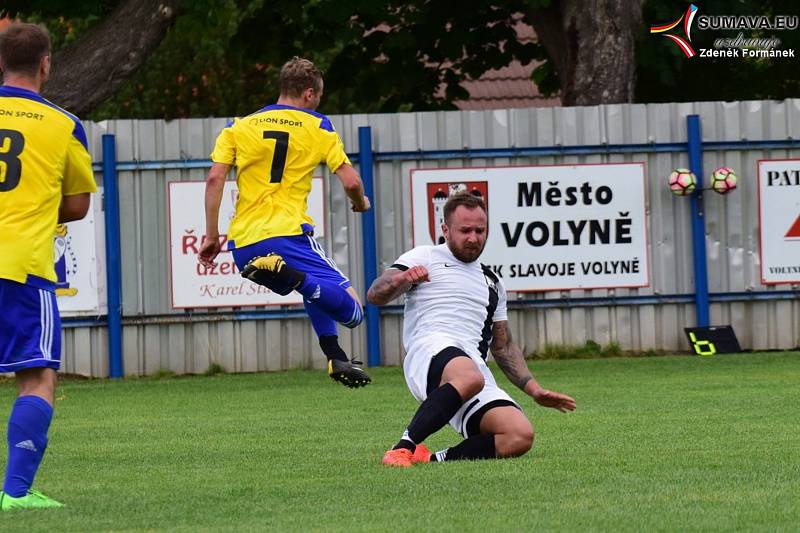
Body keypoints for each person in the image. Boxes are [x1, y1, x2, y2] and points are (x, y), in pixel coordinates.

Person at [198, 57, 372, 388]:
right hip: (288, 235)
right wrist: (359, 203)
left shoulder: (240, 126)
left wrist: (211, 235)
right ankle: (290, 275)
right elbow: (351, 182)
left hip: (244, 244)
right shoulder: (318, 126)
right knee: (353, 311)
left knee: (310, 285)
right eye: (318, 96)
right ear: (309, 93)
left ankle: (334, 355)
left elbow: (214, 180)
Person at [367, 192, 576, 466]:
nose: (473, 238)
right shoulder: (424, 256)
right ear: (445, 230)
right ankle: (402, 447)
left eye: (480, 230)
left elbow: (502, 346)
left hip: (472, 366)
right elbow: (375, 294)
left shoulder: (493, 282)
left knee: (518, 435)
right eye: (465, 230)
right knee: (470, 376)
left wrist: (534, 389)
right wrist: (401, 280)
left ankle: (429, 458)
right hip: (431, 348)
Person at [0, 23, 96, 508]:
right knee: (36, 377)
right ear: (45, 65)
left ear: (0, 62)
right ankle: (15, 493)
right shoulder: (62, 124)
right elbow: (77, 205)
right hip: (22, 264)